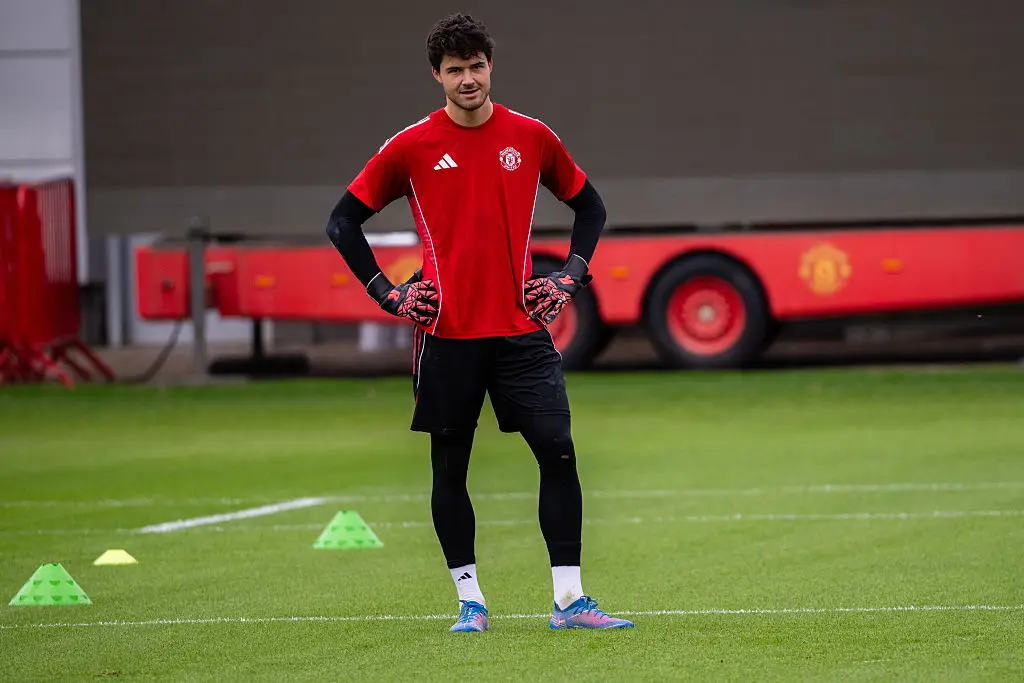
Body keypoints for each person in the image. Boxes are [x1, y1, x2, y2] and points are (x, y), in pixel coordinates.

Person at [326, 13, 634, 633]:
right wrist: (388, 293)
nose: (467, 79)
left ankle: (570, 601)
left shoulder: (532, 136)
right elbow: (342, 222)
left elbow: (591, 207)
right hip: (446, 336)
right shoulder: (411, 146)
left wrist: (569, 278)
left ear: (491, 66)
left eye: (476, 67)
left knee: (559, 451)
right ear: (436, 75)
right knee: (450, 468)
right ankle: (471, 602)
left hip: (522, 333)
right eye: (454, 70)